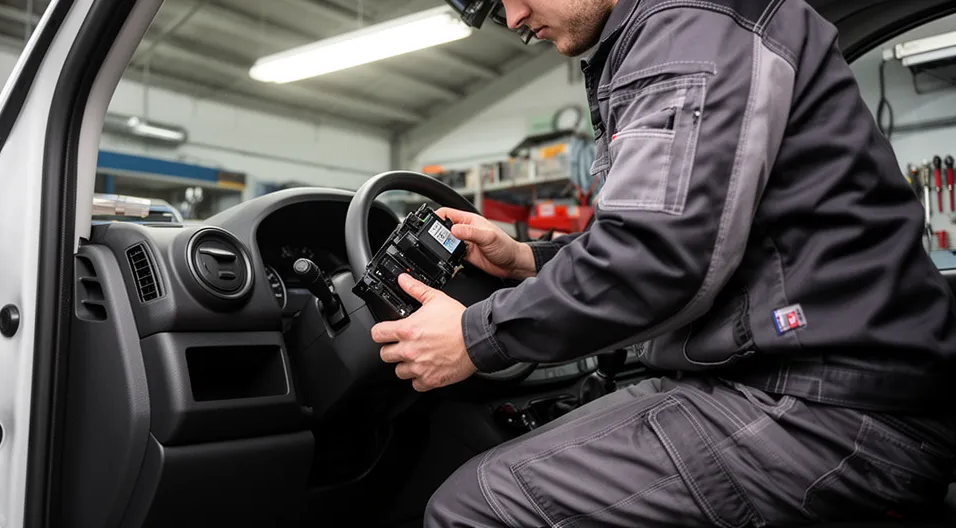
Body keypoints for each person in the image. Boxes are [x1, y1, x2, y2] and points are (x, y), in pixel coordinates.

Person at [370, 0, 956, 526]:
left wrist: (472, 336)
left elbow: (654, 262)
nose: (515, 18)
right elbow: (667, 238)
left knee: (472, 507)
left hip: (827, 409)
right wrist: (526, 260)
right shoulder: (674, 29)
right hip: (802, 382)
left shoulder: (687, 26)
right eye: (497, 12)